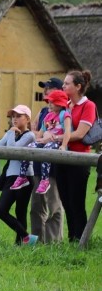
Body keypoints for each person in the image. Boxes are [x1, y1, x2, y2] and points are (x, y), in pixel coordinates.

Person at [54, 70, 97, 242]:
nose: (63, 86)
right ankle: (72, 238)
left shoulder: (89, 106)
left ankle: (81, 240)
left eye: (67, 83)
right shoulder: (65, 106)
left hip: (79, 158)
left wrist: (57, 137)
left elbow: (80, 134)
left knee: (76, 201)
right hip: (61, 157)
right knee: (65, 200)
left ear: (78, 86)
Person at [12, 89, 72, 195]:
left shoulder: (65, 115)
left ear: (59, 103)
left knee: (47, 150)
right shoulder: (48, 116)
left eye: (52, 102)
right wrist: (38, 140)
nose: (49, 104)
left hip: (56, 142)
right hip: (45, 141)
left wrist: (63, 145)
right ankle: (22, 176)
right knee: (29, 147)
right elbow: (42, 131)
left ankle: (45, 180)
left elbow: (68, 132)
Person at [0, 105, 38, 245]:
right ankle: (26, 237)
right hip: (10, 177)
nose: (15, 119)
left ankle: (20, 244)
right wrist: (10, 134)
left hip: (24, 177)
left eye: (18, 116)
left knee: (21, 211)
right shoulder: (12, 133)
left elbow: (14, 149)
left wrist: (11, 134)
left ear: (27, 119)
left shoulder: (30, 135)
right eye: (13, 116)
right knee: (1, 210)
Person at [29, 77, 65, 243]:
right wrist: (43, 135)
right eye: (45, 88)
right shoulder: (44, 112)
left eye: (49, 88)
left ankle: (53, 243)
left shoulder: (65, 113)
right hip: (38, 164)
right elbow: (34, 131)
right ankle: (36, 242)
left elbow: (65, 133)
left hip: (53, 166)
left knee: (54, 206)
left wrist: (51, 137)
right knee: (36, 207)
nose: (46, 91)